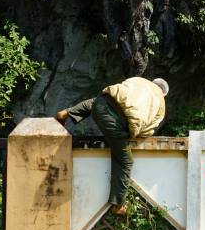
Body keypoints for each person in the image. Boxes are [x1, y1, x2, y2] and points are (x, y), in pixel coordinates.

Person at [56, 77, 168, 215]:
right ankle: (118, 204)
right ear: (163, 94)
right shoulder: (161, 104)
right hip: (115, 123)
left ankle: (66, 113)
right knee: (125, 161)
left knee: (98, 101)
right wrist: (131, 134)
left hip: (101, 103)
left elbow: (119, 90)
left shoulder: (139, 80)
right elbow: (148, 129)